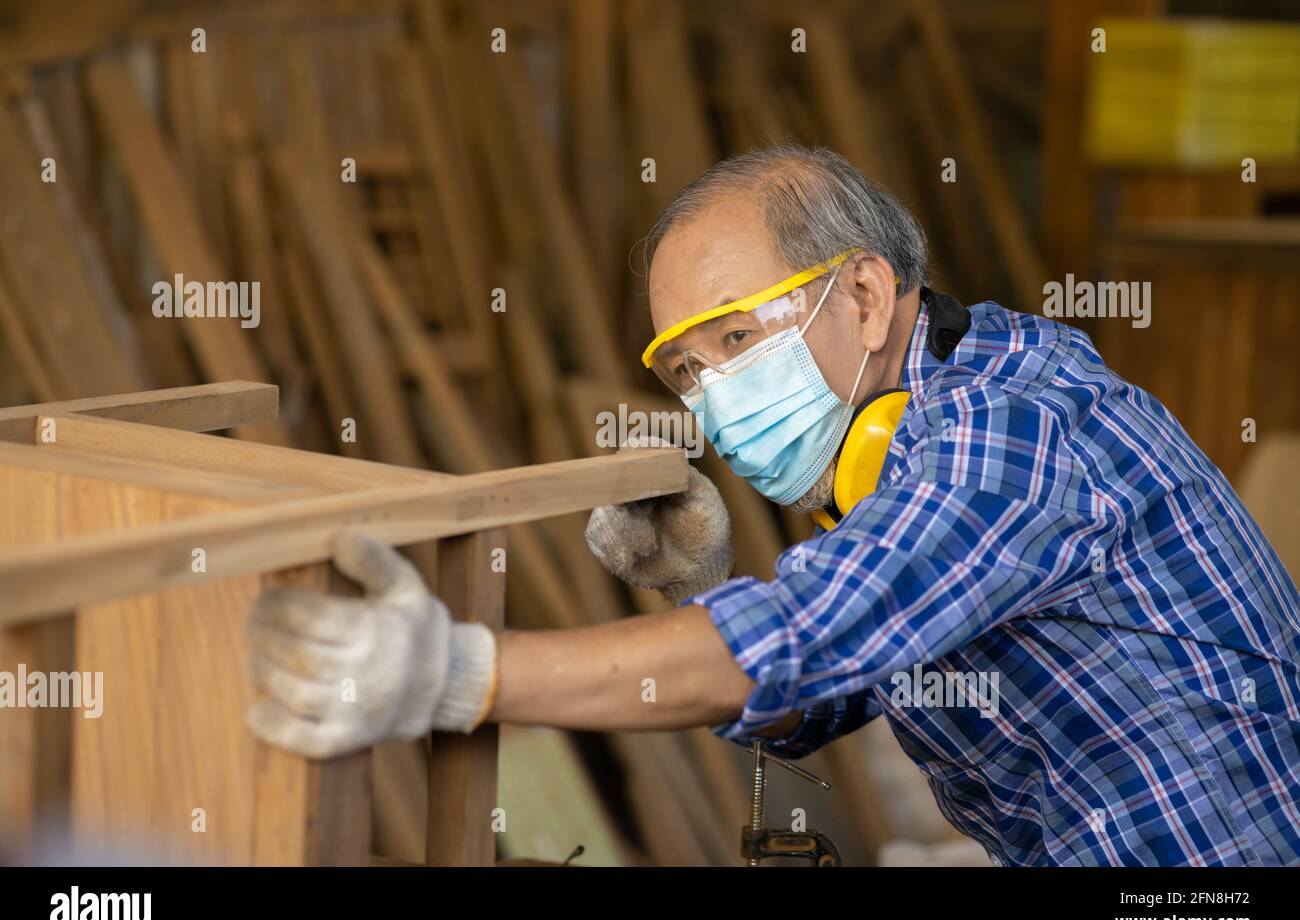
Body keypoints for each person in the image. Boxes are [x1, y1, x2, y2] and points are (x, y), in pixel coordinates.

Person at [244, 144, 1300, 866]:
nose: (714, 396)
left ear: (865, 297)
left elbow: (799, 638)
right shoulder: (897, 448)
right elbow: (821, 687)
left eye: (737, 339)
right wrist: (704, 587)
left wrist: (458, 671)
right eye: (687, 369)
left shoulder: (1009, 432)